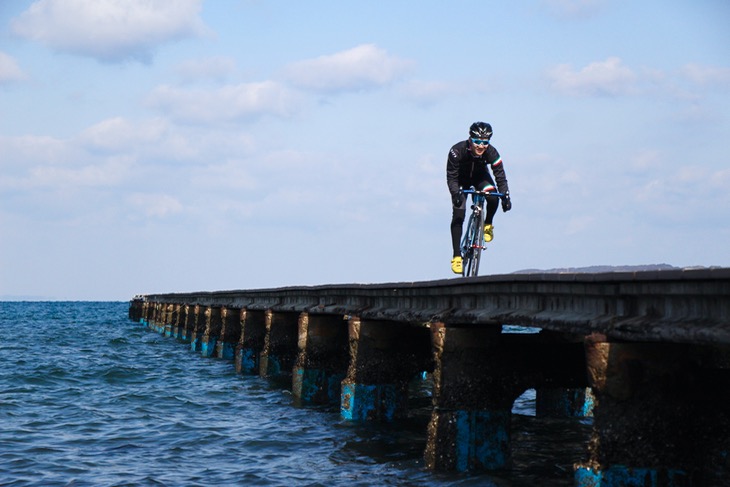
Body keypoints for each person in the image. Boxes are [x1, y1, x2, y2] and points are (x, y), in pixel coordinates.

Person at [447, 121, 512, 274]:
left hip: (480, 178)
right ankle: (457, 256)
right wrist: (455, 194)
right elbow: (451, 177)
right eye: (477, 142)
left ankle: (487, 223)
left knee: (493, 197)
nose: (481, 146)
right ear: (470, 139)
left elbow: (500, 176)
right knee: (458, 214)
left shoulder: (492, 152)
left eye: (485, 142)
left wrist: (506, 195)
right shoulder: (457, 151)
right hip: (460, 180)